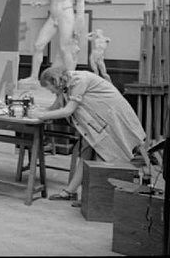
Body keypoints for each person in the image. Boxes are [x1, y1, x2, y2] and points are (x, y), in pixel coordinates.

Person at [29, 66, 149, 203]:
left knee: (104, 157)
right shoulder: (66, 84)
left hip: (111, 118)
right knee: (85, 154)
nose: (50, 91)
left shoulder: (79, 80)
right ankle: (72, 192)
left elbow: (68, 110)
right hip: (95, 123)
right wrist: (41, 110)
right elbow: (57, 104)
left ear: (55, 81)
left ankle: (93, 199)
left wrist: (42, 115)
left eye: (49, 87)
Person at [20, 0, 85, 85]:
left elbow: (81, 3)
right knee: (38, 45)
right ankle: (34, 77)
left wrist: (79, 22)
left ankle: (70, 79)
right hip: (53, 16)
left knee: (65, 48)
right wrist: (41, 3)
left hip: (66, 15)